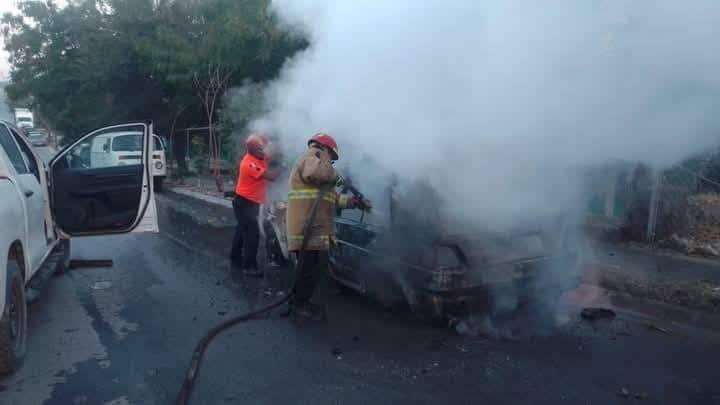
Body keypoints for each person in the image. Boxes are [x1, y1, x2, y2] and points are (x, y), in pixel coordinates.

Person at [286, 133, 371, 320]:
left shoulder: (320, 167)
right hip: (306, 229)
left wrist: (354, 202)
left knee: (310, 269)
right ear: (324, 149)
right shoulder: (310, 158)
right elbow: (320, 174)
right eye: (331, 157)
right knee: (307, 270)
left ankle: (300, 301)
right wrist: (328, 163)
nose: (331, 162)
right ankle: (300, 305)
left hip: (314, 228)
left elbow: (331, 198)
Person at [231, 133, 279, 276]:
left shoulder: (259, 156)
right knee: (252, 234)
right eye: (260, 149)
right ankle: (249, 267)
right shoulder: (249, 163)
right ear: (252, 150)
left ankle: (234, 256)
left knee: (242, 229)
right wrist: (284, 166)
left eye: (263, 149)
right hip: (245, 203)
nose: (263, 152)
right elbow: (271, 177)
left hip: (247, 202)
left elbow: (271, 154)